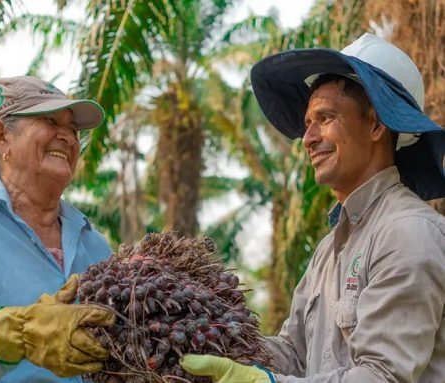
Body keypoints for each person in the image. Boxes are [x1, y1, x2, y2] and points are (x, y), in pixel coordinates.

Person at [180, 33, 445, 382]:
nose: (308, 138)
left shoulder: (408, 232)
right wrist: (215, 340)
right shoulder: (328, 251)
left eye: (326, 117)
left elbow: (382, 375)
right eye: (308, 123)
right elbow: (293, 354)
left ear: (377, 124)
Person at [0, 76, 116, 382]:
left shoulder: (96, 246)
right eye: (51, 121)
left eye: (74, 130)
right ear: (1, 137)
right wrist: (5, 338)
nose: (69, 138)